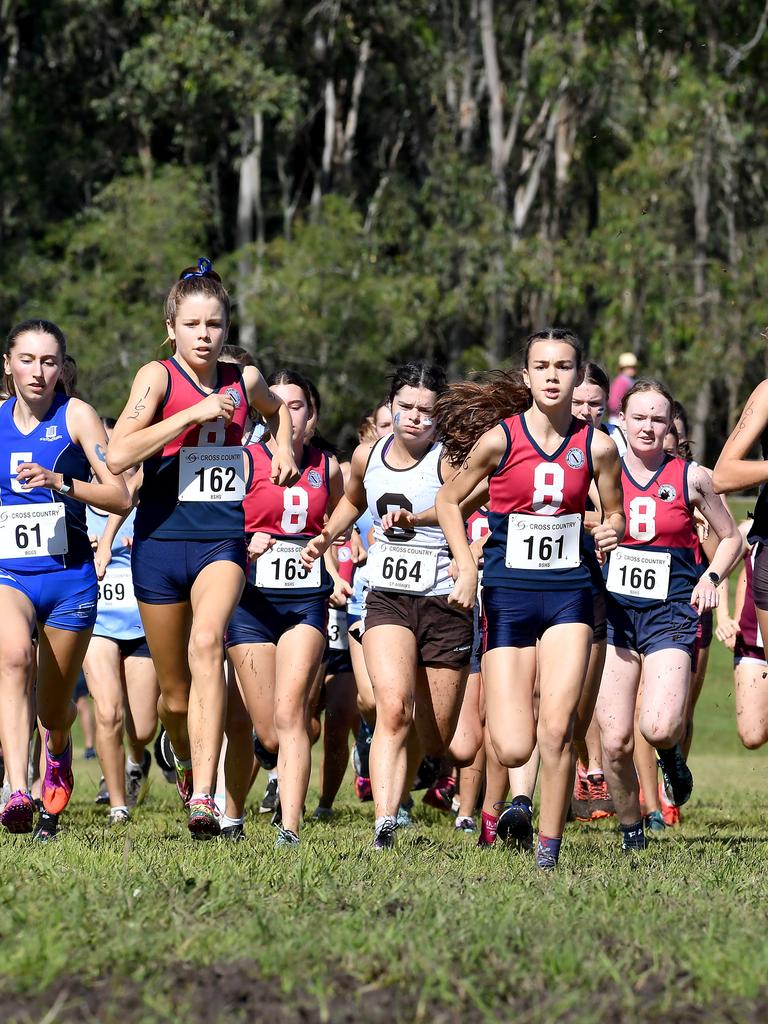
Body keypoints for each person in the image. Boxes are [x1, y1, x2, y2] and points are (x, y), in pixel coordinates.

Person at [106, 258, 298, 839]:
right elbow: (117, 455)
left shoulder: (244, 379)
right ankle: (185, 755)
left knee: (209, 640)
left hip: (221, 539)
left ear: (226, 327)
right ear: (172, 328)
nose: (204, 336)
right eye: (192, 325)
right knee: (172, 695)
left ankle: (207, 797)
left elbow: (276, 409)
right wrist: (190, 413)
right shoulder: (157, 378)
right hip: (160, 543)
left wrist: (283, 446)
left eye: (214, 324)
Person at [434, 329, 625, 870]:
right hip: (507, 598)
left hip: (570, 593)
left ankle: (548, 848)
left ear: (579, 376)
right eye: (541, 366)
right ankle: (518, 803)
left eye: (563, 366)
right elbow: (448, 500)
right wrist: (467, 565)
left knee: (558, 726)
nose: (551, 376)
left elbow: (614, 511)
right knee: (515, 745)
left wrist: (610, 529)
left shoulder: (599, 446)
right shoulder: (501, 439)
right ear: (526, 376)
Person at [303, 362, 477, 850]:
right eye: (406, 407)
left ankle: (418, 764)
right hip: (386, 597)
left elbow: (470, 504)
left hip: (444, 601)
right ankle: (384, 821)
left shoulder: (450, 461)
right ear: (391, 407)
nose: (415, 418)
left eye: (426, 410)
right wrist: (326, 537)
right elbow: (354, 501)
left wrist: (424, 521)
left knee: (440, 738)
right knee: (392, 707)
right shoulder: (367, 455)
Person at [596, 379, 741, 851]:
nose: (648, 427)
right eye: (639, 417)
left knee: (657, 725)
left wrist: (712, 578)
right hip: (614, 615)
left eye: (658, 419)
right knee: (614, 740)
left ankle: (670, 753)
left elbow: (732, 537)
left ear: (669, 425)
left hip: (669, 614)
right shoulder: (605, 468)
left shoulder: (691, 477)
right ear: (622, 419)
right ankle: (631, 828)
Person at [0, 319, 130, 838]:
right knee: (12, 661)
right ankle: (16, 789)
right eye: (27, 359)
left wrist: (60, 481)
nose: (38, 371)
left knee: (54, 710)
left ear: (61, 367)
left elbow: (120, 495)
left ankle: (56, 753)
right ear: (8, 364)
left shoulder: (77, 416)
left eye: (49, 361)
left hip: (70, 579)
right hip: (10, 573)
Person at [222, 369, 345, 846]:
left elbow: (338, 523)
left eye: (299, 406)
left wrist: (332, 568)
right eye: (281, 405)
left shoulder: (327, 467)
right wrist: (242, 543)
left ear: (311, 417)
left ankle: (289, 828)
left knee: (293, 712)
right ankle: (233, 810)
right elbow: (215, 528)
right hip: (251, 603)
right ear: (265, 412)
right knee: (267, 732)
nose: (289, 415)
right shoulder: (244, 461)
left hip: (305, 603)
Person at [83, 421, 159, 825]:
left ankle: (139, 757)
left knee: (142, 726)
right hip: (95, 620)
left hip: (143, 619)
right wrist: (86, 545)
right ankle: (117, 804)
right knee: (108, 711)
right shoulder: (79, 499)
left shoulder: (148, 498)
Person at [607, 352, 638, 424]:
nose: (632, 369)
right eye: (629, 367)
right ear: (623, 368)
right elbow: (613, 403)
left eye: (633, 367)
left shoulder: (628, 380)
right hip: (618, 419)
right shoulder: (622, 381)